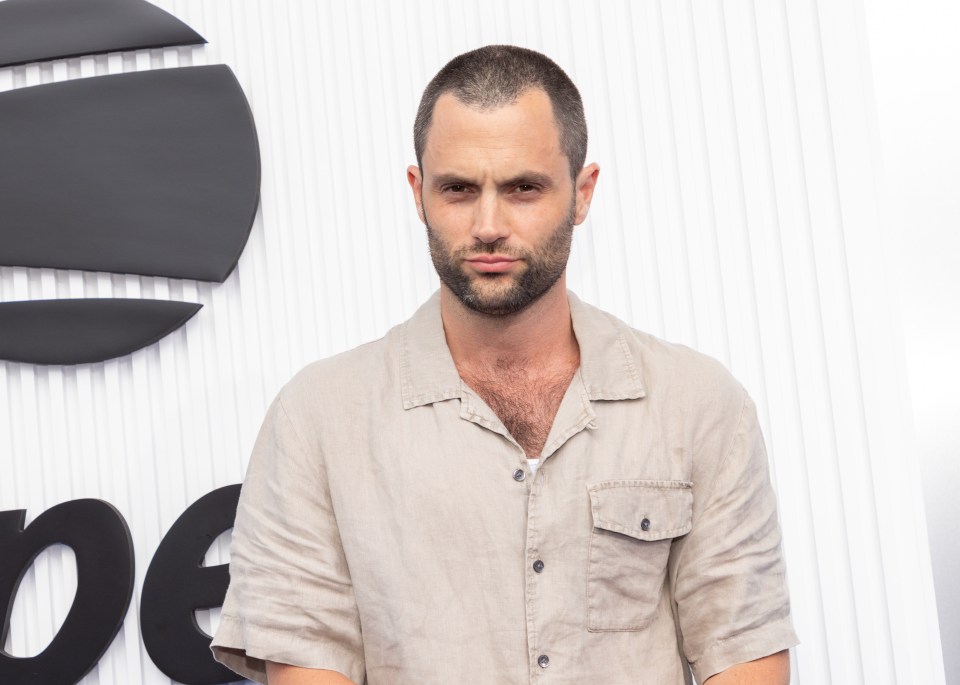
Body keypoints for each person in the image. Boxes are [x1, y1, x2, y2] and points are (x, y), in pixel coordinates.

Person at [211, 45, 798, 684]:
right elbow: (308, 663)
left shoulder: (695, 403)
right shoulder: (319, 420)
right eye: (459, 189)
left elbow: (742, 650)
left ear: (582, 192)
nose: (488, 225)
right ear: (418, 193)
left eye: (523, 188)